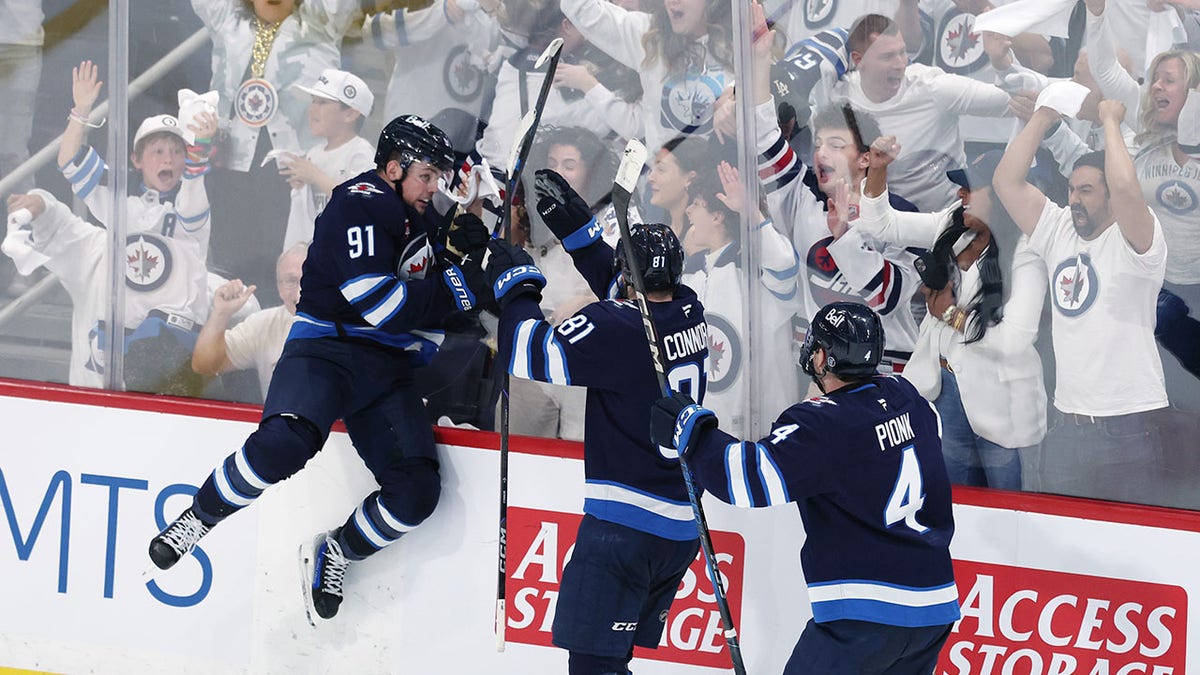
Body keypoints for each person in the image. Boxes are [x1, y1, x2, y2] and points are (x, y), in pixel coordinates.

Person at [147, 115, 471, 623]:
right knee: (282, 445)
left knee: (416, 494)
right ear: (393, 169)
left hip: (386, 367)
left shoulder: (422, 215)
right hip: (326, 351)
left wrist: (477, 246)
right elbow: (383, 305)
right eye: (426, 175)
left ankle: (336, 551)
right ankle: (199, 517)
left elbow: (449, 293)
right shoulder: (359, 204)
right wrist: (461, 286)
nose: (434, 187)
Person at [650, 301, 960, 674]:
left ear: (822, 357)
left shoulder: (824, 423)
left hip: (865, 615)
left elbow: (748, 480)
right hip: (934, 610)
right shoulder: (907, 396)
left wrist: (691, 429)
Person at [479, 221, 708, 675]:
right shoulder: (689, 311)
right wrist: (579, 232)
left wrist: (518, 286)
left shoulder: (616, 326)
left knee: (593, 666)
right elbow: (628, 295)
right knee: (610, 661)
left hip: (624, 531)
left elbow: (525, 353)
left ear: (625, 274)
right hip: (679, 529)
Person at [993, 99, 1169, 504]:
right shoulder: (1058, 230)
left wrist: (1110, 119)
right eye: (1072, 189)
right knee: (1061, 539)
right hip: (1066, 425)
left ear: (1110, 197)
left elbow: (1126, 188)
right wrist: (1043, 116)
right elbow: (1007, 182)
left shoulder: (1138, 237)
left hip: (1128, 425)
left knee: (1129, 539)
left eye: (1086, 190)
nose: (1074, 199)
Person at [9, 60, 217, 394]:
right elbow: (69, 161)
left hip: (170, 361)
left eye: (177, 151)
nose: (168, 159)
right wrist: (81, 111)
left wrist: (200, 150)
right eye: (158, 151)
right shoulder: (122, 202)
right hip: (117, 352)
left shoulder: (189, 208)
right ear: (136, 160)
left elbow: (193, 191)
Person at [857, 143, 1048, 490]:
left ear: (1003, 196)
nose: (961, 193)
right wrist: (879, 170)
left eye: (971, 187)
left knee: (1011, 506)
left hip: (1002, 402)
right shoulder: (953, 223)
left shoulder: (1027, 253)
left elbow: (1014, 341)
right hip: (944, 389)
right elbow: (881, 225)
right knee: (956, 501)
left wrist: (950, 313)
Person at [827, 13, 1022, 211]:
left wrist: (1002, 63)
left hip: (951, 218)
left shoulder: (933, 88)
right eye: (887, 57)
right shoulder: (840, 99)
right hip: (882, 222)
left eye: (902, 52)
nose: (900, 64)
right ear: (858, 60)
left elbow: (1016, 101)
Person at [191, 242, 307, 398]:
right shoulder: (264, 326)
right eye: (291, 281)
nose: (301, 291)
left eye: (311, 278)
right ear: (279, 288)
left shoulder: (343, 326)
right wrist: (221, 314)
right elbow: (205, 364)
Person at [279, 68, 377, 251]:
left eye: (322, 102)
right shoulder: (314, 153)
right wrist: (301, 188)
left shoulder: (361, 153)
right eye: (313, 101)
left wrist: (315, 176)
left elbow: (360, 206)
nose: (312, 109)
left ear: (350, 114)